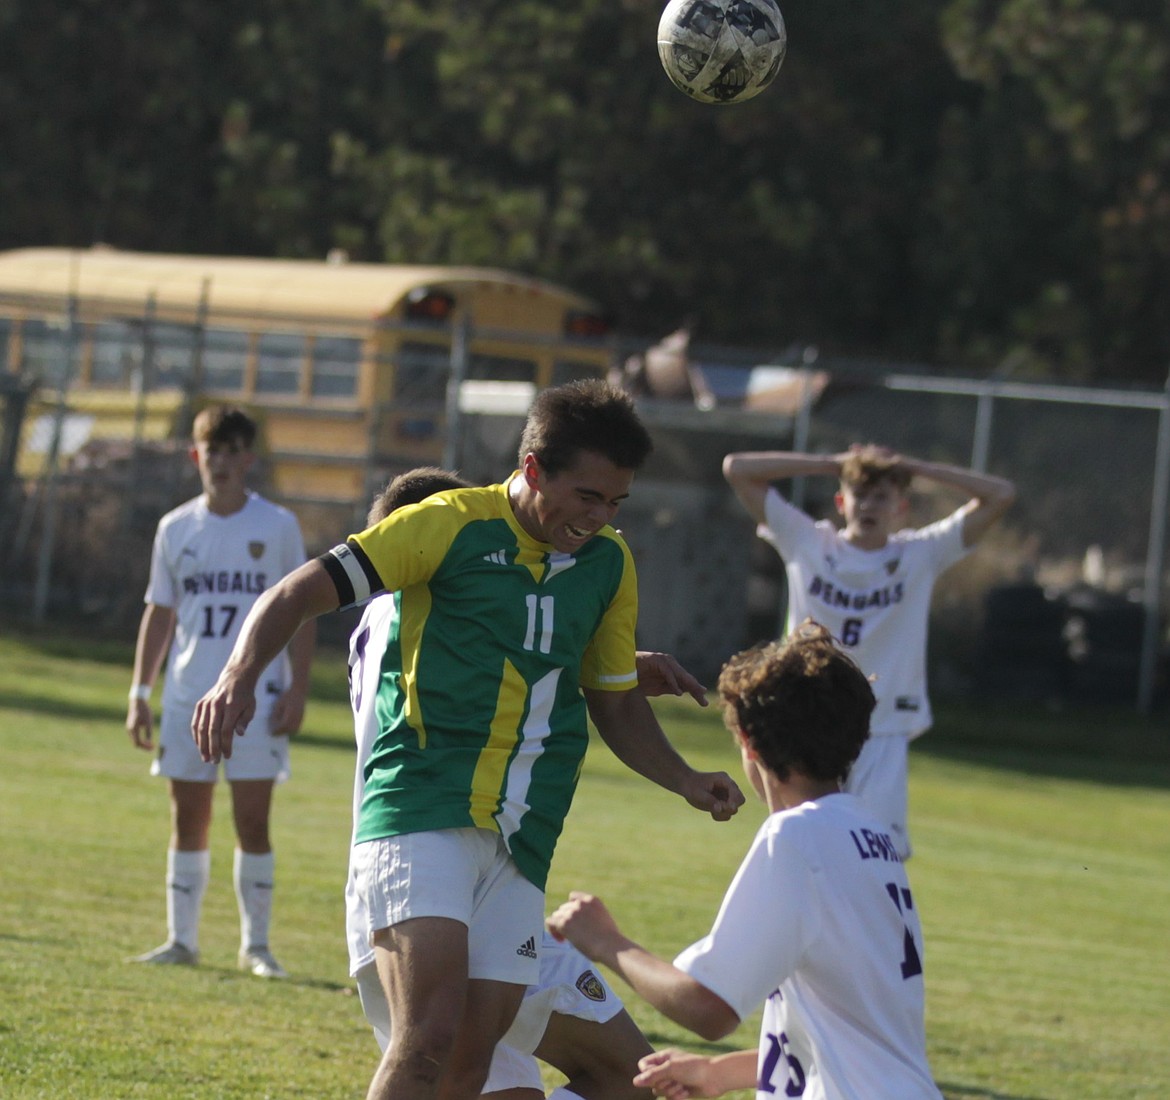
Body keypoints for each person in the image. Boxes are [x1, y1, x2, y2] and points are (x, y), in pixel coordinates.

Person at [191, 380, 744, 1100]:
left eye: (616, 503)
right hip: (421, 810)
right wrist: (237, 673)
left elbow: (612, 700)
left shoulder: (609, 563)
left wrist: (682, 777)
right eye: (588, 497)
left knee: (470, 1069)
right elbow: (299, 590)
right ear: (534, 468)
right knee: (427, 1040)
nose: (601, 517)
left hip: (523, 839)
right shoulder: (448, 525)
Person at [348, 467, 711, 1100]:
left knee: (611, 1085)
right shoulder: (404, 612)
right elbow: (474, 677)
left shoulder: (407, 625)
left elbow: (488, 662)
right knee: (640, 1084)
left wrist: (607, 666)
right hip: (431, 875)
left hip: (473, 878)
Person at [547, 621, 944, 1100]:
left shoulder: (796, 837)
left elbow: (709, 1008)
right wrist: (720, 1075)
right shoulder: (868, 833)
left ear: (750, 745)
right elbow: (851, 1030)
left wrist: (606, 941)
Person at [722, 444, 1016, 857]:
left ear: (900, 505)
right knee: (801, 841)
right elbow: (738, 469)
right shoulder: (808, 541)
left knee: (875, 851)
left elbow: (1000, 494)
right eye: (860, 493)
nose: (869, 505)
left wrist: (915, 464)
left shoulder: (920, 554)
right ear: (841, 501)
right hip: (808, 717)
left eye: (881, 495)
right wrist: (832, 463)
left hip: (882, 725)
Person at [125, 405, 315, 978]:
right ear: (196, 456)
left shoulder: (277, 526)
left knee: (252, 821)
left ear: (249, 459)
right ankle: (180, 940)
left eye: (235, 451)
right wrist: (140, 689)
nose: (223, 462)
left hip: (256, 699)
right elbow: (160, 612)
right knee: (189, 818)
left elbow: (304, 611)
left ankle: (256, 946)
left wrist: (297, 686)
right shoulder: (176, 527)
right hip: (188, 697)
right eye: (214, 451)